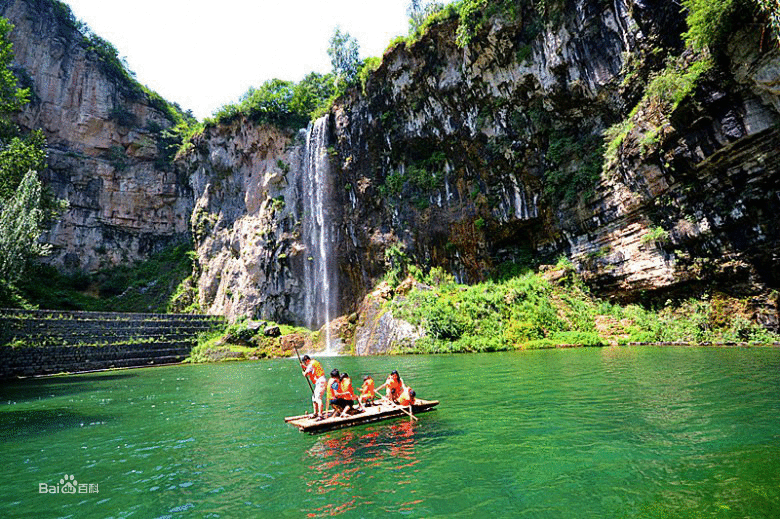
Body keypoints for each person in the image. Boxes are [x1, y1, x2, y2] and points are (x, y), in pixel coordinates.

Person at [301, 354, 326, 419]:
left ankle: (320, 414)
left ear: (307, 360)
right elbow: (311, 369)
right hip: (319, 381)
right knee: (314, 397)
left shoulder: (310, 364)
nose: (305, 364)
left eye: (305, 362)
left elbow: (306, 374)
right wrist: (304, 367)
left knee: (318, 398)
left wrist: (303, 372)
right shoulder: (314, 363)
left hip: (320, 381)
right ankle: (315, 413)